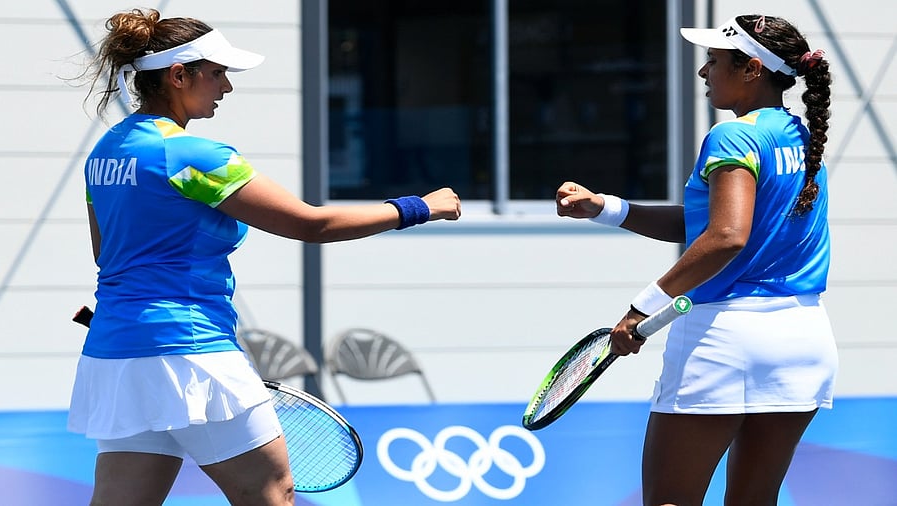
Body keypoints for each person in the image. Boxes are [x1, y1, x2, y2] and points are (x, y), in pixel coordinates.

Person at [67, 8, 461, 506]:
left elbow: (106, 252)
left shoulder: (104, 154)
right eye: (217, 74)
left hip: (117, 355)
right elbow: (309, 223)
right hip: (190, 350)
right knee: (272, 494)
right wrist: (419, 207)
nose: (226, 88)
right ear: (178, 75)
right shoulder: (192, 154)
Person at [555, 14, 836, 506]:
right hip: (802, 339)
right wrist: (607, 209)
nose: (704, 73)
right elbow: (712, 226)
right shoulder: (797, 135)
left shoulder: (734, 136)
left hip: (725, 339)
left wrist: (641, 311)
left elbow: (726, 235)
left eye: (713, 61)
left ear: (751, 70)